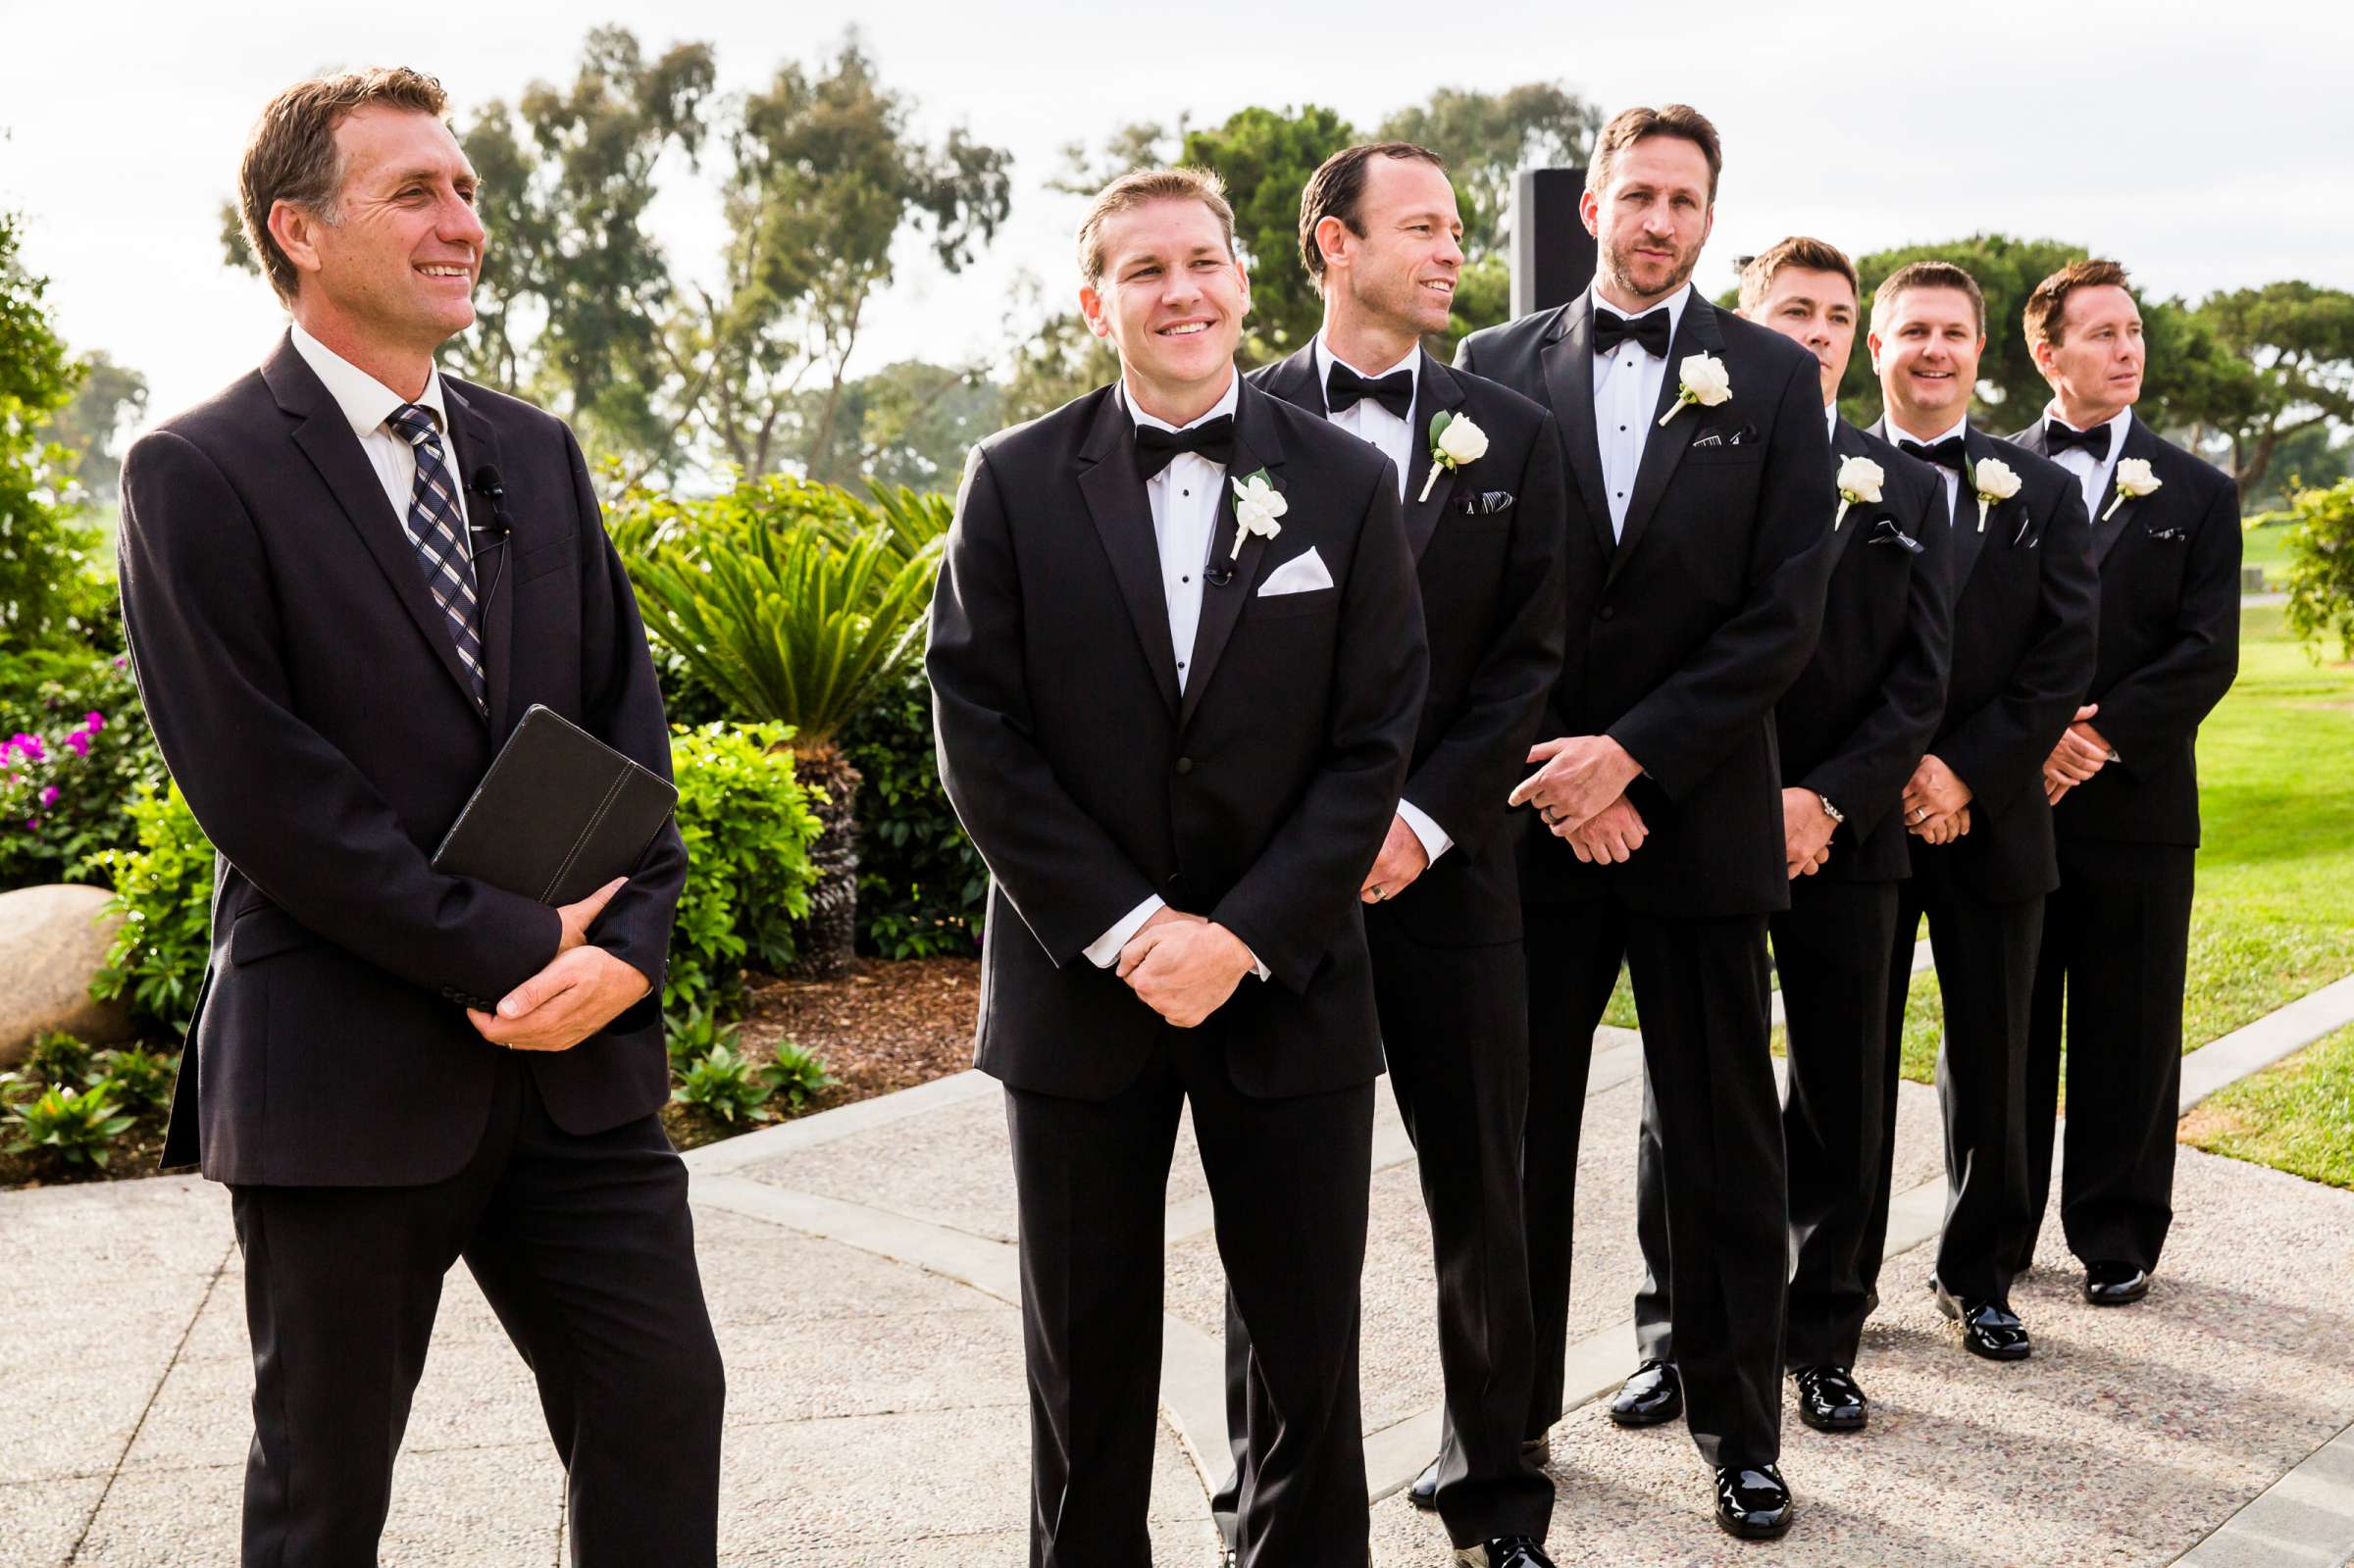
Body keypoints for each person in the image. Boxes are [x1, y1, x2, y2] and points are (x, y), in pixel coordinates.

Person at [117, 68, 722, 1567]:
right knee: (323, 1494)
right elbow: (265, 793)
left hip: (579, 1074)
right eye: (416, 192)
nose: (463, 218)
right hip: (341, 1073)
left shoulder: (536, 451)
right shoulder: (196, 473)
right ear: (299, 230)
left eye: (463, 186)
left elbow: (622, 734)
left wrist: (629, 949)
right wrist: (510, 942)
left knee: (664, 1408)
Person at [926, 166, 1426, 1567]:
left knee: (1307, 1362)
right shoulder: (1013, 483)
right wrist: (1137, 926)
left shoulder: (1345, 481)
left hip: (1291, 976)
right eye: (1145, 270)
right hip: (1082, 988)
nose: (1182, 290)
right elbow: (981, 733)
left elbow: (1375, 734)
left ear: (1245, 279)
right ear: (1098, 301)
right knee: (1085, 1375)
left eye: (1202, 261)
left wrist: (1245, 931)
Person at [1455, 104, 1838, 1541]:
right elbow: (1473, 602)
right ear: (1592, 205)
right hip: (1532, 824)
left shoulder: (1773, 378)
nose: (1661, 218)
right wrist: (1560, 773)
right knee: (1514, 1143)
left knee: (1727, 1143)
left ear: (1710, 215)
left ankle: (1745, 1431)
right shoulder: (1489, 369)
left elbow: (1781, 614)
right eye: (1640, 193)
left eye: (1687, 198)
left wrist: (1636, 760)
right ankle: (1500, 1437)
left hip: (1696, 815)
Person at [1226, 140, 1567, 1568]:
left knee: (1485, 1194)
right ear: (1330, 242)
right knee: (1280, 1216)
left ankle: (1499, 1497)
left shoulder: (1512, 434)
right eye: (1418, 227)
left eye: (1456, 230)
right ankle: (1278, 1506)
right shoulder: (1230, 422)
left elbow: (1531, 658)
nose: (1449, 252)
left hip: (1459, 880)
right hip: (1278, 899)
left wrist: (1422, 820)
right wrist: (1311, 847)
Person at [1622, 236, 1952, 1439]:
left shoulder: (1903, 486)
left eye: (1833, 315)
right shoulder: (1680, 464)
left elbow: (1920, 682)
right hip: (1701, 818)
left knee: (1840, 1090)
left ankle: (1822, 1336)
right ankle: (1672, 1336)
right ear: (1744, 330)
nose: (1813, 333)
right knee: (1686, 1101)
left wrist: (1824, 802)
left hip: (1841, 834)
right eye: (1791, 312)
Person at [1864, 261, 2099, 1363]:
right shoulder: (1822, 472)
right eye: (1913, 330)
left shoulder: (2041, 492)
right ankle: (1836, 1279)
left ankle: (1980, 1273)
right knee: (1845, 1059)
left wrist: (1961, 774)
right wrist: (1896, 774)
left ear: (1982, 350)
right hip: (1858, 819)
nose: (1934, 351)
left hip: (1997, 814)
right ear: (1878, 347)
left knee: (2000, 1055)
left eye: (1953, 332)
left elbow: (2062, 659)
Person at [2009, 260, 2242, 1306]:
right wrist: (2031, 740)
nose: (2128, 348)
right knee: (2004, 1024)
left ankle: (2118, 1234)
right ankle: (1994, 1230)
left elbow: (2207, 651)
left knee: (2132, 1024)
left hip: (2141, 805)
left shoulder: (2199, 492)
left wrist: (2097, 740)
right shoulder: (1988, 475)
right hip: (2012, 799)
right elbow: (1966, 635)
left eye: (2134, 329)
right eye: (2101, 333)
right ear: (2047, 353)